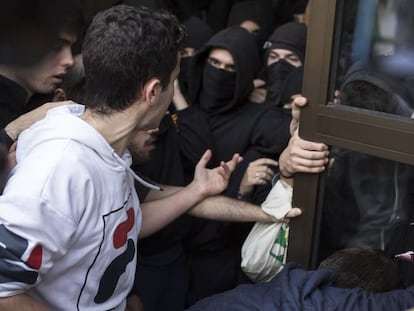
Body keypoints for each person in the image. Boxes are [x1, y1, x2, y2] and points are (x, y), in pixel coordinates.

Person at [0, 5, 245, 310]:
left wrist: (197, 190)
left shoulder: (105, 147)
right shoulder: (59, 169)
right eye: (174, 81)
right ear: (153, 91)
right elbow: (4, 291)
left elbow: (116, 226)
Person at [0, 5, 80, 150]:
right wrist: (12, 131)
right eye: (56, 47)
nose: (69, 60)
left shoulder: (55, 101)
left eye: (71, 48)